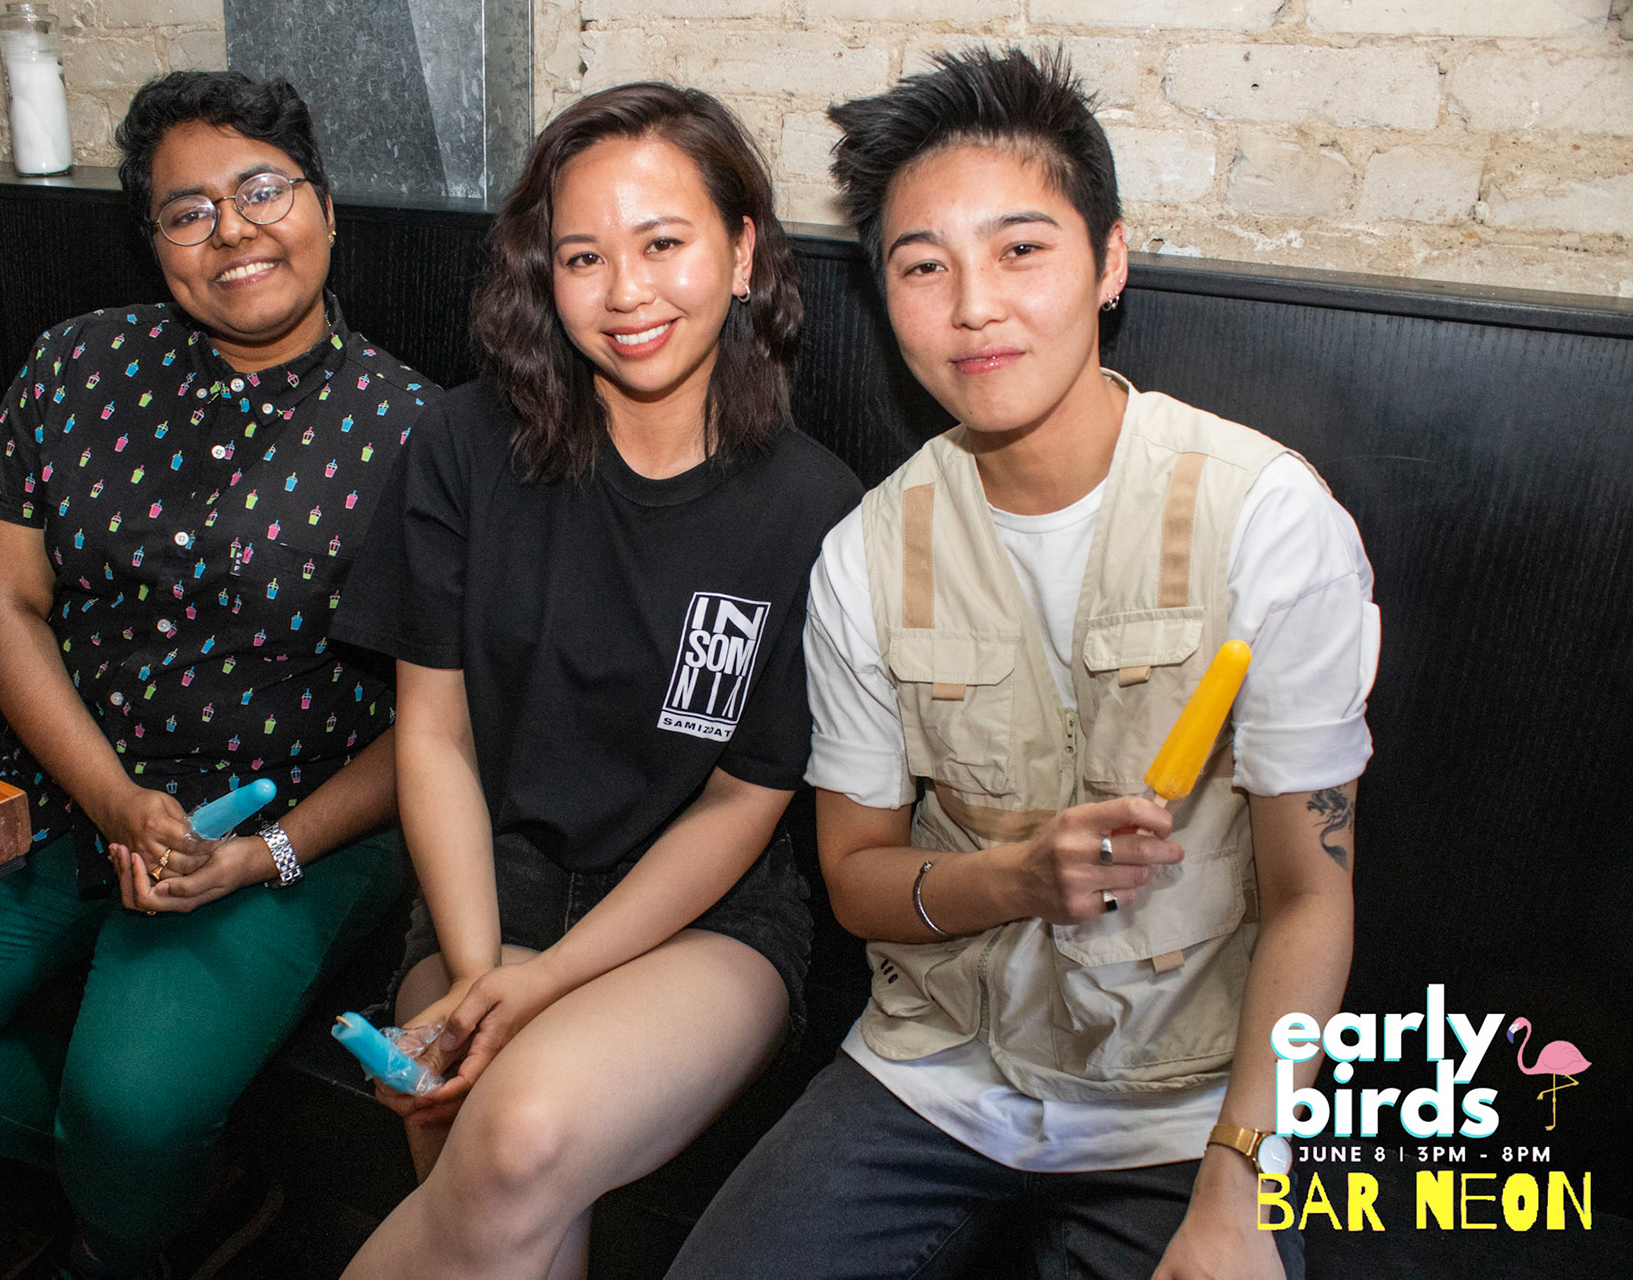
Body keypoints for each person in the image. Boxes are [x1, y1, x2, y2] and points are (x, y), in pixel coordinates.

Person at [671, 47, 1377, 1280]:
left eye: (1020, 250)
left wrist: (1240, 1182)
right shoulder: (865, 554)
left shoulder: (1266, 517)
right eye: (923, 266)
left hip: (1192, 1101)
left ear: (1109, 262)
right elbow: (856, 877)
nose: (973, 307)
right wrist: (1015, 878)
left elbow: (1311, 896)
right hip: (936, 1063)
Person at [0, 71, 434, 1280]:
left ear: (326, 205)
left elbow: (436, 720)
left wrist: (258, 852)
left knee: (132, 1109)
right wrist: (108, 797)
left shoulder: (420, 433)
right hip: (75, 788)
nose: (233, 229)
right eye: (188, 211)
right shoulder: (75, 364)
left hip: (294, 830)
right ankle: (172, 1181)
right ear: (153, 241)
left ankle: (132, 1224)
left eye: (264, 189)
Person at [332, 82, 861, 1280]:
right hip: (489, 888)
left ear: (742, 254)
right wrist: (482, 973)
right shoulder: (461, 445)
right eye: (584, 257)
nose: (626, 291)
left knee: (516, 1127)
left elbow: (744, 798)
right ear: (545, 275)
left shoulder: (814, 508)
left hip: (704, 923)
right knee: (495, 1162)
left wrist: (546, 987)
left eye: (663, 243)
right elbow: (434, 736)